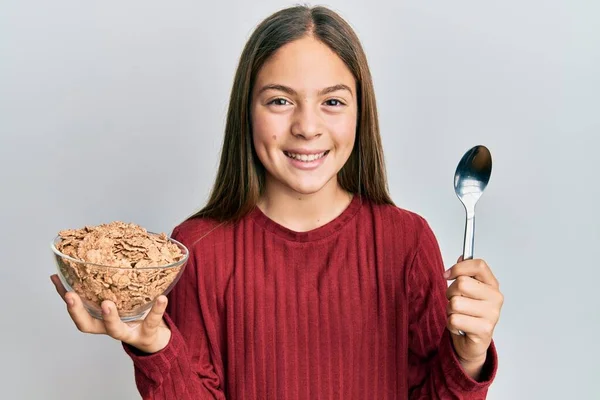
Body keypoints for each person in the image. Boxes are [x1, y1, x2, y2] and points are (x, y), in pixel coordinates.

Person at [51, 5, 503, 399]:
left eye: (332, 101)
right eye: (281, 100)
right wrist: (156, 348)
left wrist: (468, 357)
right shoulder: (199, 248)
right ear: (246, 111)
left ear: (360, 112)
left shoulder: (406, 242)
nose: (307, 127)